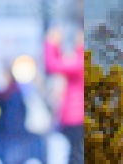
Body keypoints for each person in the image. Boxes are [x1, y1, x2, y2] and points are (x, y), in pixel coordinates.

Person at [43, 29, 84, 164]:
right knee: (75, 152)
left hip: (76, 117)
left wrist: (51, 44)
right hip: (76, 116)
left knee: (76, 154)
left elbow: (54, 65)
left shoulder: (82, 59)